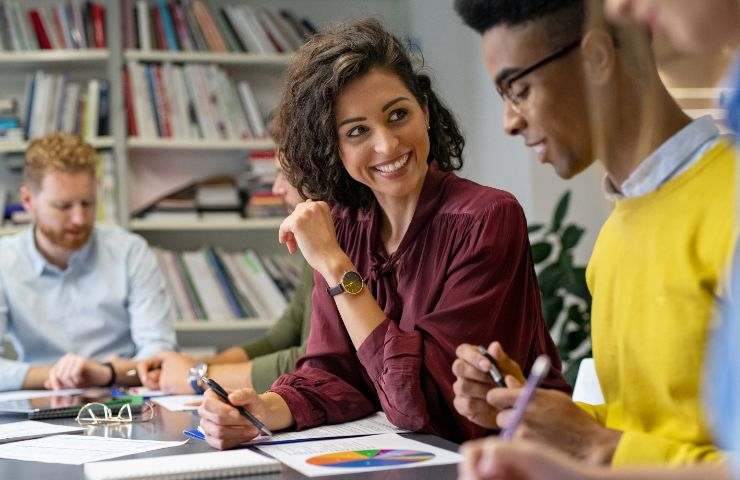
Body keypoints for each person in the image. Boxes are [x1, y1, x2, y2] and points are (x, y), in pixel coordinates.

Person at [197, 18, 570, 450]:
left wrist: (336, 266)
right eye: (357, 131)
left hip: (511, 459)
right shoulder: (346, 224)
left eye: (398, 115)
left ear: (425, 112)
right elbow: (332, 373)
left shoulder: (486, 217)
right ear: (333, 148)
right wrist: (264, 410)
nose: (388, 145)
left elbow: (421, 404)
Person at [457, 0, 740, 478]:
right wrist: (548, 420)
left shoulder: (728, 203)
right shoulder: (615, 236)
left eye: (518, 89)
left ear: (596, 57)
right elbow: (652, 430)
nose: (510, 121)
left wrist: (600, 448)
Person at [0, 132, 176, 392]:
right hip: (39, 398)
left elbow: (159, 356)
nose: (80, 219)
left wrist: (104, 373)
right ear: (28, 201)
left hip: (121, 395)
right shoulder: (5, 261)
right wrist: (64, 375)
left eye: (88, 203)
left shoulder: (130, 251)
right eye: (63, 206)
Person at [136, 160, 314, 395]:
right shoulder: (313, 251)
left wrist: (198, 376)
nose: (276, 189)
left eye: (286, 174)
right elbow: (279, 339)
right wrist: (196, 365)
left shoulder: (335, 246)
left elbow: (312, 361)